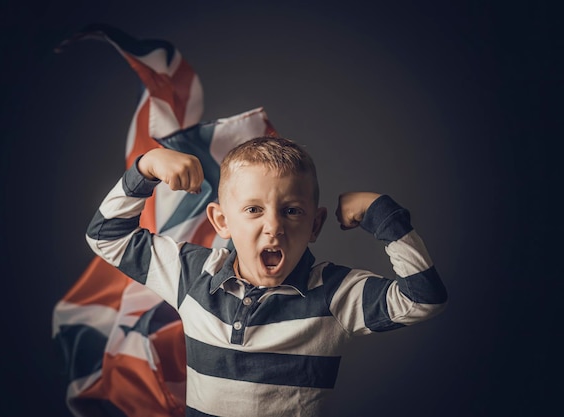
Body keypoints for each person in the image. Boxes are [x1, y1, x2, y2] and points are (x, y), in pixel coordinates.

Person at [86, 135, 448, 417]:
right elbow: (106, 237)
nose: (273, 227)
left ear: (315, 225)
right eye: (253, 210)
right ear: (222, 222)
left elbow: (424, 298)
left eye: (292, 211)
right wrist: (145, 168)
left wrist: (382, 215)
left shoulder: (336, 294)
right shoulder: (192, 275)